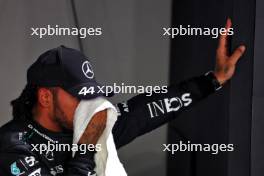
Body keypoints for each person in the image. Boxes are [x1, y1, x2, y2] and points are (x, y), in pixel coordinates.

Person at [0, 19, 245, 175]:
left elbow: (146, 110)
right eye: (78, 97)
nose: (89, 105)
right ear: (45, 97)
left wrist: (213, 80)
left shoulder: (87, 124)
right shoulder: (12, 147)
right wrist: (86, 147)